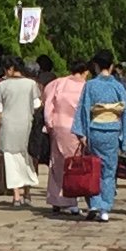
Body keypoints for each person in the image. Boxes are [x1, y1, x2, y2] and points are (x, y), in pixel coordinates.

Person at [75, 55, 126, 223]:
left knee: (94, 168)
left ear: (95, 66)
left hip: (95, 130)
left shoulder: (90, 85)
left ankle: (94, 203)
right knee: (109, 170)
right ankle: (105, 209)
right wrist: (125, 136)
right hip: (113, 131)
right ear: (111, 66)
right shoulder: (118, 87)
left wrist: (82, 133)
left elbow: (84, 109)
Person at [0, 55, 42, 202]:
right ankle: (27, 192)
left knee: (11, 160)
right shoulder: (31, 84)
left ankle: (16, 195)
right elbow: (37, 105)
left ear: (11, 69)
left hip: (8, 126)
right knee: (27, 157)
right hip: (27, 124)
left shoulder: (1, 86)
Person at [41, 58, 86, 214]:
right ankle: (70, 200)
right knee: (72, 165)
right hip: (76, 128)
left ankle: (56, 198)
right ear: (86, 71)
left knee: (57, 164)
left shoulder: (57, 83)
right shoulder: (85, 86)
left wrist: (50, 125)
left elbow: (48, 106)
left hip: (58, 127)